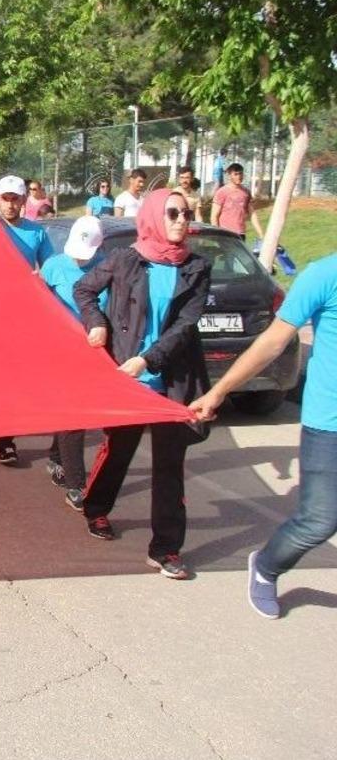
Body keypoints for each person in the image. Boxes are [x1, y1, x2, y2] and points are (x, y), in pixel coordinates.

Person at [190, 252, 337, 618]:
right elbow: (272, 343)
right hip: (329, 423)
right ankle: (267, 567)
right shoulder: (324, 275)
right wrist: (219, 391)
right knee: (319, 521)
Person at [74, 189, 210, 580]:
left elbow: (185, 325)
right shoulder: (125, 259)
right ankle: (96, 508)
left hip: (170, 379)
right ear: (152, 216)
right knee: (118, 449)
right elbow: (84, 290)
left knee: (170, 465)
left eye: (186, 213)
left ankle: (165, 548)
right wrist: (96, 323)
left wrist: (148, 361)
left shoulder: (197, 267)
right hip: (126, 377)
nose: (181, 220)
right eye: (173, 213)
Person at [0, 175, 54, 466]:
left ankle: (6, 439)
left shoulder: (37, 232)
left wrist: (41, 278)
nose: (10, 204)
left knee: (11, 376)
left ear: (24, 200)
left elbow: (50, 266)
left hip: (20, 315)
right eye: (5, 198)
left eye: (15, 199)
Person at [40, 216, 105, 511]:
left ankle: (57, 457)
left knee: (75, 413)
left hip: (95, 350)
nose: (80, 258)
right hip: (60, 351)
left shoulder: (107, 267)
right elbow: (37, 303)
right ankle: (76, 484)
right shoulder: (54, 266)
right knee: (74, 414)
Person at [210, 162, 265, 243]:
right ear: (230, 175)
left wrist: (261, 234)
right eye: (235, 174)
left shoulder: (246, 192)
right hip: (225, 233)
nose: (239, 177)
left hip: (240, 233)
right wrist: (217, 235)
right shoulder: (222, 192)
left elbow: (252, 214)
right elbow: (214, 216)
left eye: (240, 174)